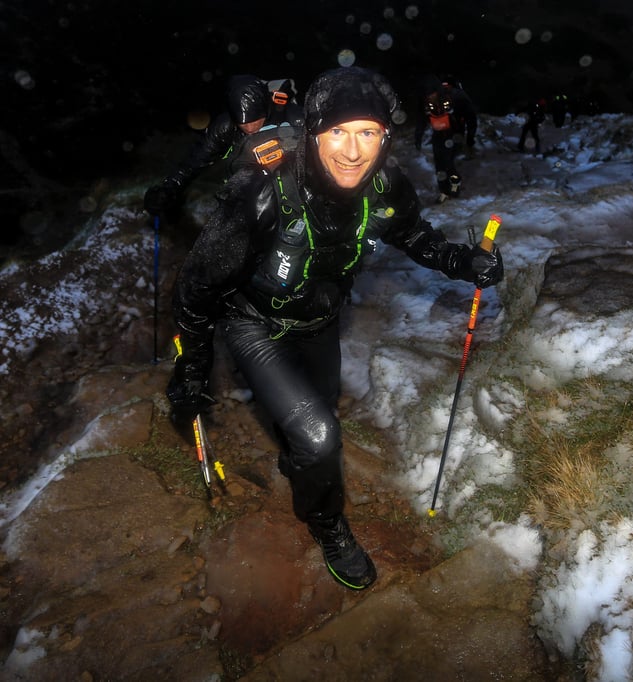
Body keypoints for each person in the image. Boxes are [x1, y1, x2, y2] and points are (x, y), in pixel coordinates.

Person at [165, 66, 504, 590]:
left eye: (367, 133)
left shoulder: (386, 184)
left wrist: (464, 263)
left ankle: (298, 457)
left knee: (313, 421)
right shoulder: (263, 192)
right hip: (255, 323)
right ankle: (328, 526)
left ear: (385, 138)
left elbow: (415, 235)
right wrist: (191, 371)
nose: (352, 151)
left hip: (321, 321)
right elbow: (196, 287)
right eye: (338, 133)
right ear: (314, 132)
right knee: (321, 437)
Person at [143, 75, 303, 218]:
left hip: (289, 190)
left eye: (255, 122)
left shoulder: (292, 118)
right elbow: (195, 160)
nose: (249, 129)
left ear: (265, 109)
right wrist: (169, 187)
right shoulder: (224, 127)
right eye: (243, 124)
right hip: (246, 193)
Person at [413, 76, 478, 202]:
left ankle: (455, 183)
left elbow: (471, 117)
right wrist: (418, 137)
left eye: (431, 94)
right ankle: (444, 191)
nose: (429, 97)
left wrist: (470, 137)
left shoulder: (456, 97)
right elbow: (421, 120)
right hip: (438, 134)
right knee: (439, 164)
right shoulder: (425, 101)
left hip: (455, 133)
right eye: (427, 95)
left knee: (448, 162)